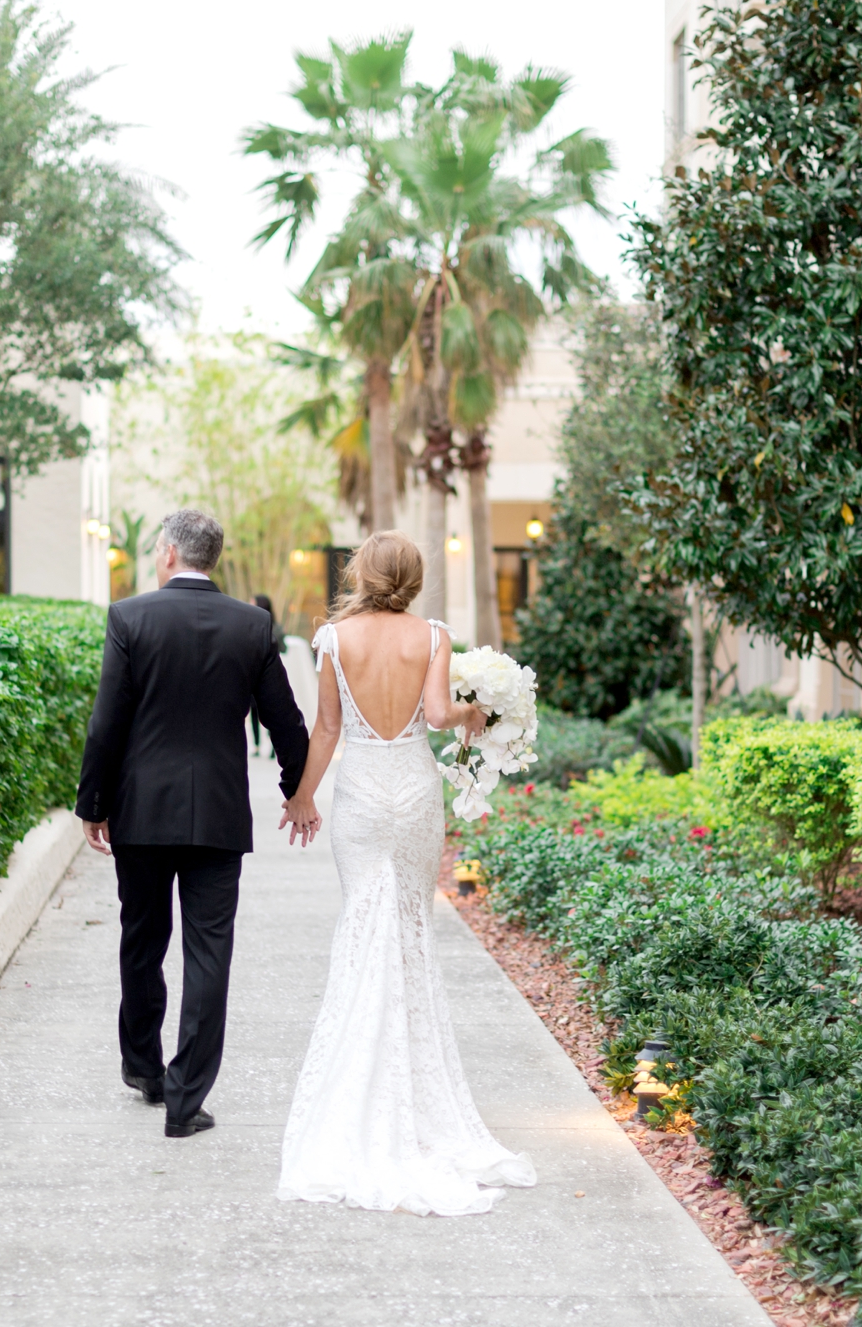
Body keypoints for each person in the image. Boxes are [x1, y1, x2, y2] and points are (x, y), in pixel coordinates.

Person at [275, 531, 537, 1215]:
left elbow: (326, 729)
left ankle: (359, 1086)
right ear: (415, 579)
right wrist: (478, 713)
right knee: (411, 927)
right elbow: (439, 716)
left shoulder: (333, 640)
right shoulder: (434, 635)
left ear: (361, 573)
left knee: (364, 920)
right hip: (415, 792)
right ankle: (414, 1095)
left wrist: (302, 797)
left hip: (363, 794)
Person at [74, 509, 312, 1139]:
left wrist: (93, 803)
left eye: (158, 548)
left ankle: (144, 1068)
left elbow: (106, 722)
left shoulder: (129, 617)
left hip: (142, 813)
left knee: (142, 942)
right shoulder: (251, 624)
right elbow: (286, 721)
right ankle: (185, 1102)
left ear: (170, 553)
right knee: (209, 954)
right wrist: (297, 792)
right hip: (218, 814)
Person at [249, 593, 280, 756]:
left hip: (267, 675)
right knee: (255, 712)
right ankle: (257, 745)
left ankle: (271, 745)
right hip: (254, 674)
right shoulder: (249, 625)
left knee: (268, 712)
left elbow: (283, 647)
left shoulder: (272, 627)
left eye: (252, 603)